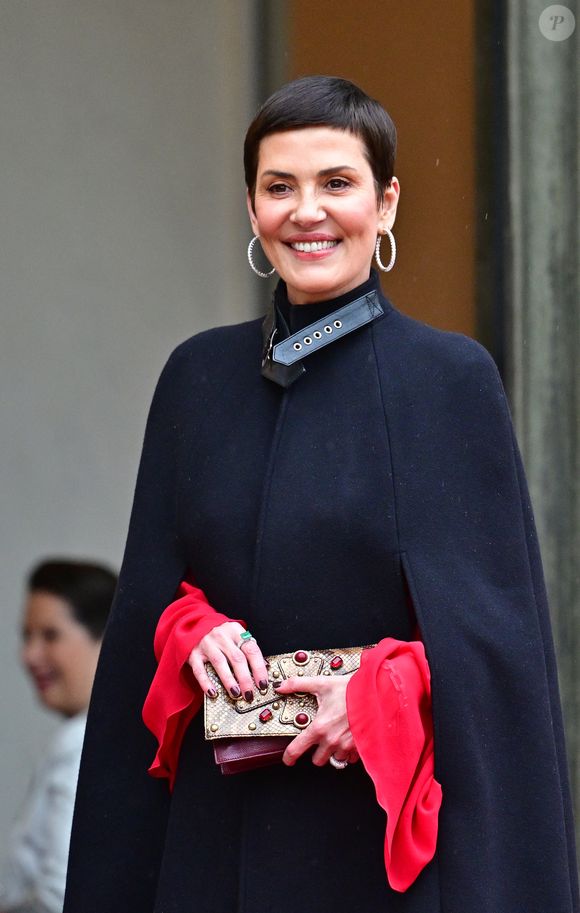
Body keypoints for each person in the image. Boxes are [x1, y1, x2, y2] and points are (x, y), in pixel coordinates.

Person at [63, 76, 579, 913]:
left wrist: (386, 687)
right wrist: (190, 628)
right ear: (251, 207)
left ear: (386, 202)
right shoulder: (197, 377)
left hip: (379, 846)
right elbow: (150, 601)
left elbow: (495, 648)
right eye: (280, 187)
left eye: (337, 183)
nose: (307, 211)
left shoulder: (449, 381)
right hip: (216, 836)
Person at [0, 560, 116, 913]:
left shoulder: (82, 742)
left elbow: (61, 896)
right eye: (27, 636)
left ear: (106, 637)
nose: (29, 655)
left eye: (50, 635)